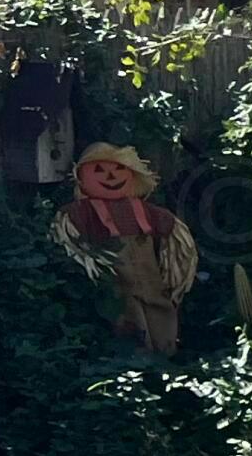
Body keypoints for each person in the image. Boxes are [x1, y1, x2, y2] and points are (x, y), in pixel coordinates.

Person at [51, 143, 198, 353]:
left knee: (158, 307)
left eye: (119, 169)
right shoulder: (80, 213)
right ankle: (133, 359)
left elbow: (170, 232)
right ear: (81, 178)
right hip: (114, 277)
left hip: (150, 275)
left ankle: (164, 353)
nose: (111, 176)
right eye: (99, 170)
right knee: (124, 313)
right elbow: (70, 236)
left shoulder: (148, 211)